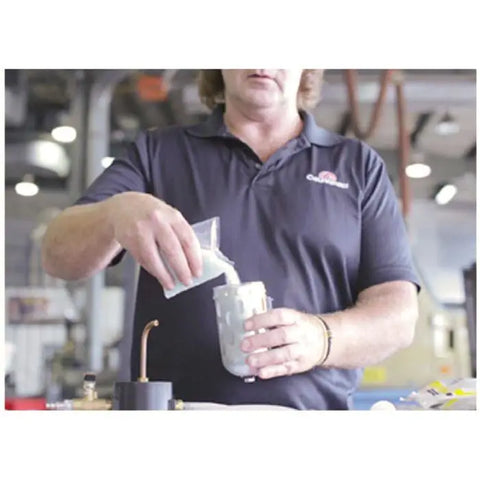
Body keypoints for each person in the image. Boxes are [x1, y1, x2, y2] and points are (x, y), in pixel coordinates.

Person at [42, 69, 420, 410]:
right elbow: (57, 255)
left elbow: (398, 316)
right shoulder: (159, 153)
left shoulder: (356, 166)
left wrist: (322, 338)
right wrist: (115, 212)